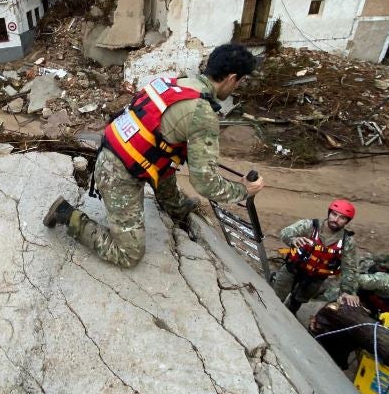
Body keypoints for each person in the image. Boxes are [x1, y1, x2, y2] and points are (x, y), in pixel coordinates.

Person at [43, 43, 264, 268]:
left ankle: (174, 207)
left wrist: (178, 204)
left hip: (118, 153)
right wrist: (242, 190)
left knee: (169, 152)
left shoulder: (177, 83)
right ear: (232, 78)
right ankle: (66, 214)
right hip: (118, 174)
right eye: (240, 82)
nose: (237, 87)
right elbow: (204, 183)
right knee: (128, 254)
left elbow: (163, 145)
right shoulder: (202, 112)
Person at [273, 200, 359, 314]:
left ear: (347, 221)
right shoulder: (311, 225)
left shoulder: (347, 241)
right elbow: (285, 232)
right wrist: (293, 239)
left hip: (315, 278)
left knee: (297, 302)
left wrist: (348, 291)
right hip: (293, 268)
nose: (336, 219)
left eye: (342, 218)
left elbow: (350, 268)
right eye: (334, 214)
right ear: (329, 213)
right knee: (275, 298)